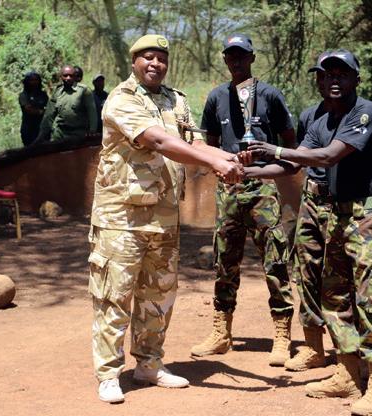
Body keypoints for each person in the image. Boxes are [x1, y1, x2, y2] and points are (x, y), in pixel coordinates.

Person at [89, 34, 245, 404]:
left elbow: (193, 142)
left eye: (161, 58)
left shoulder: (176, 100)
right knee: (114, 296)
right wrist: (214, 162)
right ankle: (109, 374)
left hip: (163, 217)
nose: (155, 64)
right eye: (147, 57)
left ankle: (149, 364)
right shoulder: (122, 99)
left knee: (158, 295)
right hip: (121, 218)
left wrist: (228, 156)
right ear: (134, 62)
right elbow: (158, 141)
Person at [247, 50, 372, 415]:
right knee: (334, 294)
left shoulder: (365, 112)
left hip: (367, 216)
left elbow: (328, 156)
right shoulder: (321, 120)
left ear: (356, 79)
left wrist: (273, 148)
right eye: (328, 73)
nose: (334, 79)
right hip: (337, 216)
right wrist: (246, 171)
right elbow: (293, 162)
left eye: (342, 73)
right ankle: (347, 373)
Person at [190, 33, 296, 367]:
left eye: (241, 55)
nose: (236, 61)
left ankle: (282, 335)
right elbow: (209, 145)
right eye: (230, 56)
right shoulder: (216, 97)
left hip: (262, 188)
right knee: (225, 261)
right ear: (225, 59)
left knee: (275, 261)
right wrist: (223, 165)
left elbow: (290, 143)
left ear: (252, 58)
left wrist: (268, 164)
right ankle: (221, 332)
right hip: (229, 190)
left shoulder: (270, 95)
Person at [282, 51, 332, 372]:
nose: (325, 81)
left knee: (346, 277)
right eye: (320, 76)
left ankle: (353, 350)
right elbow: (299, 159)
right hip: (312, 201)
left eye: (332, 75)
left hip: (345, 204)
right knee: (306, 272)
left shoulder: (359, 115)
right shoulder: (309, 116)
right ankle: (314, 347)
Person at [34, 65, 97, 143]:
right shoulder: (57, 92)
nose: (68, 78)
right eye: (65, 75)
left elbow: (92, 112)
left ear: (74, 77)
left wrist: (92, 130)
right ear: (61, 77)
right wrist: (42, 135)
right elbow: (49, 115)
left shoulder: (84, 91)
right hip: (60, 133)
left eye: (71, 76)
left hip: (78, 133)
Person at [18, 71, 49, 146]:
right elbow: (29, 110)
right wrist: (42, 112)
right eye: (31, 80)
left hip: (42, 127)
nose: (34, 82)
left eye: (36, 80)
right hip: (28, 128)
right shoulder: (23, 95)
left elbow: (50, 107)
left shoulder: (43, 94)